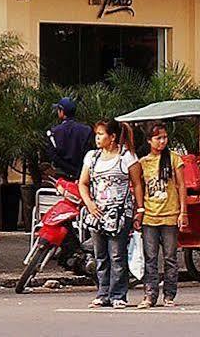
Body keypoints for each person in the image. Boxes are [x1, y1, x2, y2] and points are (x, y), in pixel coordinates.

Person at [79, 117, 138, 309]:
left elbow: (137, 183)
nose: (97, 138)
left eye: (101, 134)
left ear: (112, 137)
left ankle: (118, 294)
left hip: (120, 214)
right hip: (97, 213)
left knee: (117, 255)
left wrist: (140, 209)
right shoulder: (92, 157)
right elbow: (83, 183)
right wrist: (89, 204)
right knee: (100, 255)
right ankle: (102, 292)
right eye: (96, 134)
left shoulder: (126, 157)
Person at [133, 122, 182, 308]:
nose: (162, 141)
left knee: (170, 257)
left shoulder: (175, 159)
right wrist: (139, 212)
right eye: (158, 138)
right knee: (150, 257)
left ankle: (169, 294)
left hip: (170, 214)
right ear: (149, 141)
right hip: (150, 216)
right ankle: (150, 294)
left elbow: (181, 186)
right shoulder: (143, 163)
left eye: (164, 137)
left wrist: (182, 212)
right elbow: (139, 188)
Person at [47, 97, 95, 181]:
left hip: (62, 176)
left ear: (62, 112)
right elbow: (88, 153)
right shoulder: (87, 130)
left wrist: (68, 168)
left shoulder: (54, 132)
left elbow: (53, 156)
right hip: (82, 174)